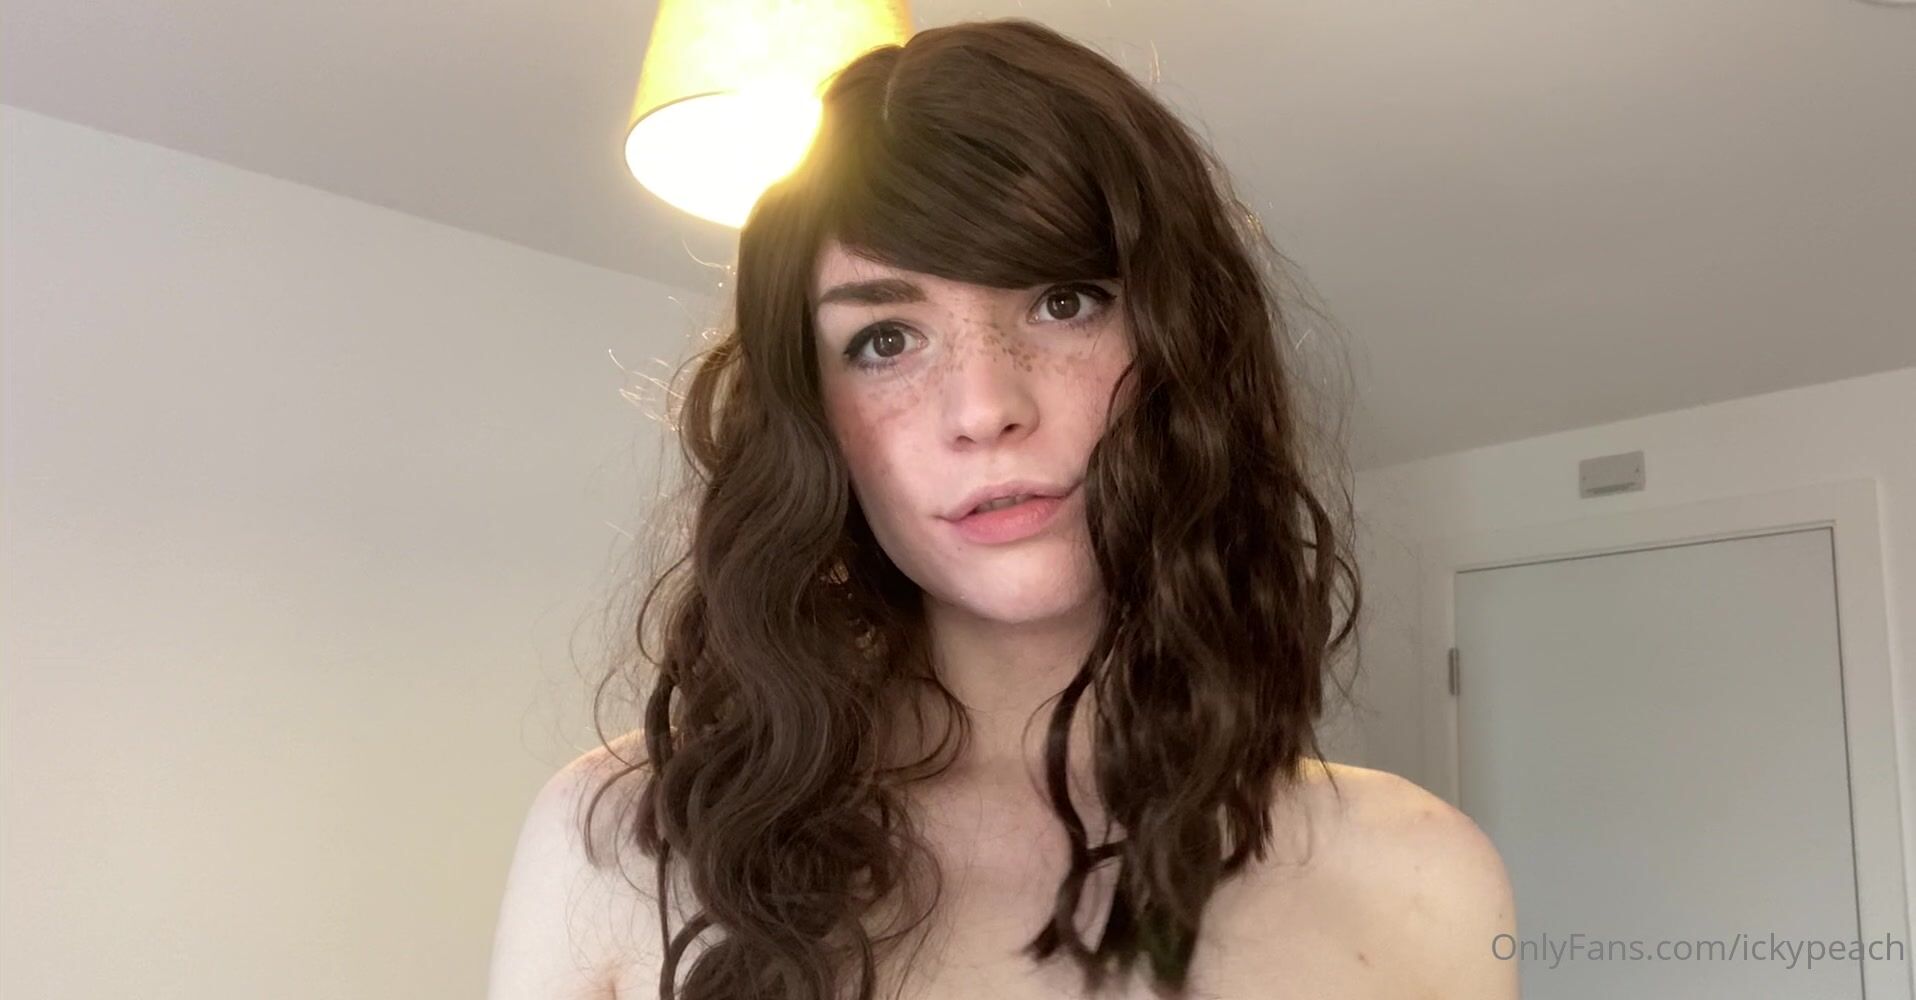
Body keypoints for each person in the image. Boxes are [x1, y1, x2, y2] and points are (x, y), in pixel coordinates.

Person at [489, 17, 1518, 1000]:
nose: (984, 408)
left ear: (1183, 346)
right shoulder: (612, 849)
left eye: (1062, 301)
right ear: (814, 418)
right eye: (885, 341)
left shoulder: (1426, 879)